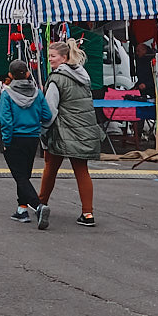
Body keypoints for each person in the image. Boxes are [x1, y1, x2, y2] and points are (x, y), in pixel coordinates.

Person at [38, 40, 102, 230]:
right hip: (84, 130)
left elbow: (50, 110)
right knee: (82, 171)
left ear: (64, 58)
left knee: (50, 167)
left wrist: (43, 130)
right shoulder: (84, 76)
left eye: (53, 56)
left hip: (62, 130)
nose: (50, 60)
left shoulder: (56, 79)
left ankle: (41, 204)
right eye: (49, 56)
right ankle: (88, 213)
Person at [0, 59, 53, 223]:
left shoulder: (7, 95)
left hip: (15, 138)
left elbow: (6, 121)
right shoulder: (38, 93)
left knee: (20, 176)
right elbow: (47, 115)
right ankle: (22, 209)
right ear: (28, 74)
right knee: (24, 175)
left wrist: (6, 142)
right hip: (32, 138)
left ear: (10, 75)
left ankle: (38, 206)